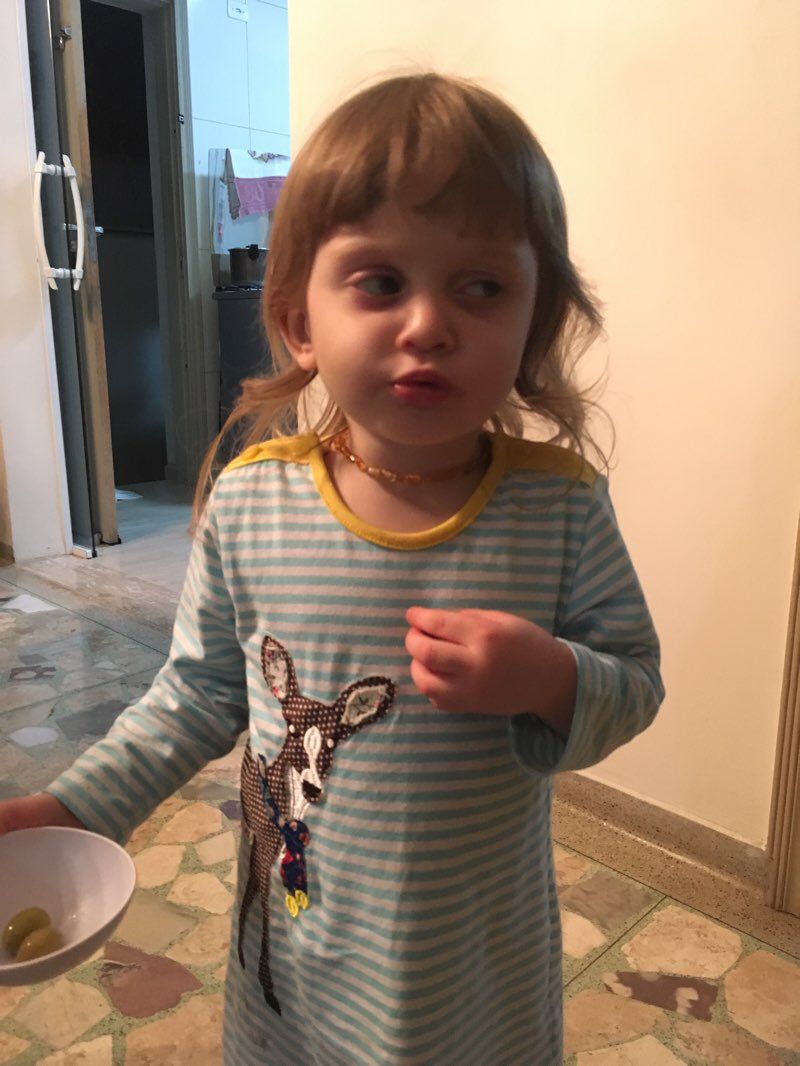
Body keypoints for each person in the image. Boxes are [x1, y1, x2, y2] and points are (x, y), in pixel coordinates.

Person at [1, 72, 664, 1064]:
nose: (428, 323)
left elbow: (635, 681)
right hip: (300, 974)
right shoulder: (253, 501)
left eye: (482, 286)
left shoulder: (559, 508)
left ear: (535, 319)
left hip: (473, 971)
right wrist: (72, 809)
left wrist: (550, 677)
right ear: (299, 323)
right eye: (380, 282)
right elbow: (194, 696)